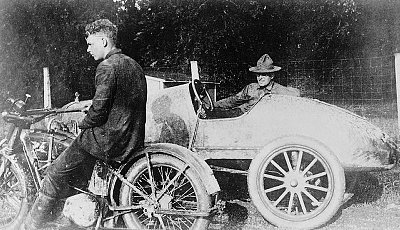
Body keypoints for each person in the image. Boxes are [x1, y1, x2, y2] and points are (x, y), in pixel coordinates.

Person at [23, 19, 147, 229]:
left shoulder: (106, 67)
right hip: (131, 138)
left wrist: (82, 123)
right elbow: (119, 102)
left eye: (90, 44)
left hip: (107, 141)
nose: (88, 49)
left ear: (104, 41)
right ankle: (74, 220)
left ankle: (31, 226)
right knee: (78, 172)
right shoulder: (133, 65)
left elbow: (98, 113)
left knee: (54, 173)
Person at [207, 54, 300, 118]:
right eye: (258, 74)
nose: (260, 78)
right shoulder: (251, 88)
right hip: (241, 117)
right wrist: (213, 105)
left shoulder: (280, 91)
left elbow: (296, 96)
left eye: (264, 74)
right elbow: (233, 100)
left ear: (272, 76)